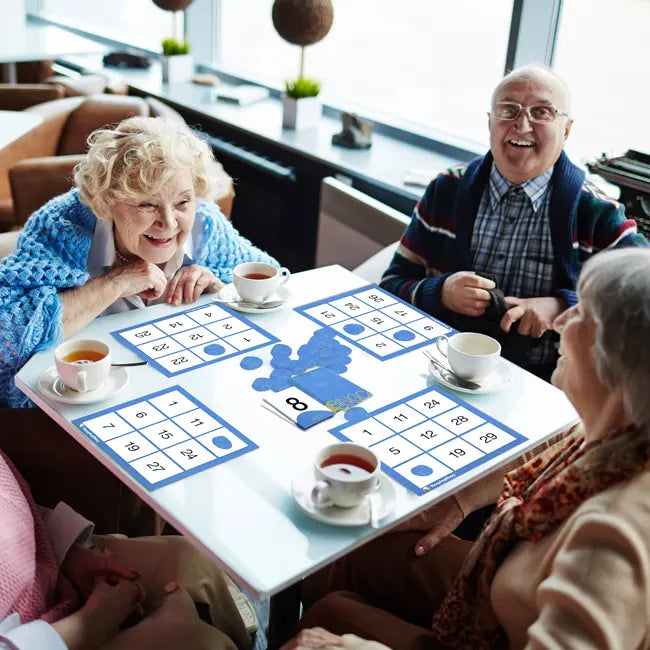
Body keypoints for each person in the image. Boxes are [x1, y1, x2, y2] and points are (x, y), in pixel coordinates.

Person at [288, 247, 650, 649]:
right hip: (503, 588)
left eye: (581, 312)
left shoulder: (613, 535)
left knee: (325, 620)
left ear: (619, 360)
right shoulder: (621, 431)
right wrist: (460, 500)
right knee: (357, 550)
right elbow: (547, 445)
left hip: (506, 632)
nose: (561, 319)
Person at [380, 64, 647, 381]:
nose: (522, 125)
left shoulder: (597, 212)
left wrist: (563, 307)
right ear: (490, 121)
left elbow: (642, 305)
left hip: (545, 384)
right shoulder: (446, 189)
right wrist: (440, 292)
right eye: (508, 110)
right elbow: (390, 287)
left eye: (542, 112)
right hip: (441, 369)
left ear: (566, 129)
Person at [0, 116, 278, 408]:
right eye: (147, 204)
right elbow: (5, 335)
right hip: (81, 406)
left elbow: (274, 290)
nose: (169, 223)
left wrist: (221, 289)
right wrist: (114, 284)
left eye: (183, 202)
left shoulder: (205, 224)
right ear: (108, 202)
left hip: (183, 394)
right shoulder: (58, 227)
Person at [0, 447, 252, 649]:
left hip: (42, 570)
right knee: (203, 642)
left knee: (191, 559)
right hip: (45, 635)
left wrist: (67, 554)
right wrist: (90, 623)